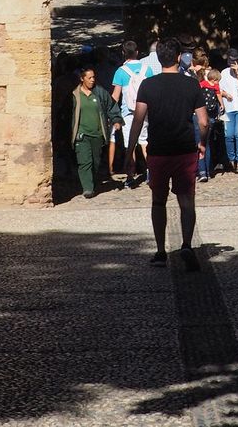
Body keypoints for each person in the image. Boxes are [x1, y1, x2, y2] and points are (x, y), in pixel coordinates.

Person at [126, 38, 208, 271]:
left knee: (158, 201)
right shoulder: (191, 84)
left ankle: (161, 251)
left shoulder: (148, 85)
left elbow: (138, 120)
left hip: (158, 151)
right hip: (184, 150)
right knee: (186, 201)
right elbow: (203, 121)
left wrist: (130, 151)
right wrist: (202, 142)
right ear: (177, 57)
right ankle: (186, 245)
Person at [71, 67, 123, 198]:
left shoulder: (100, 93)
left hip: (98, 134)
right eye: (89, 78)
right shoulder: (75, 95)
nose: (92, 80)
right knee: (84, 161)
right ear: (82, 79)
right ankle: (87, 188)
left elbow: (111, 106)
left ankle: (92, 182)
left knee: (95, 161)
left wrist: (116, 119)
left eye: (94, 77)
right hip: (81, 134)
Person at [112, 40, 154, 187]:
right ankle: (151, 172)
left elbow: (116, 96)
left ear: (123, 53)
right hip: (145, 111)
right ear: (137, 52)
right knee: (144, 142)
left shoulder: (120, 72)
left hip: (128, 112)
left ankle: (130, 176)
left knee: (129, 144)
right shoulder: (147, 69)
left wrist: (110, 113)